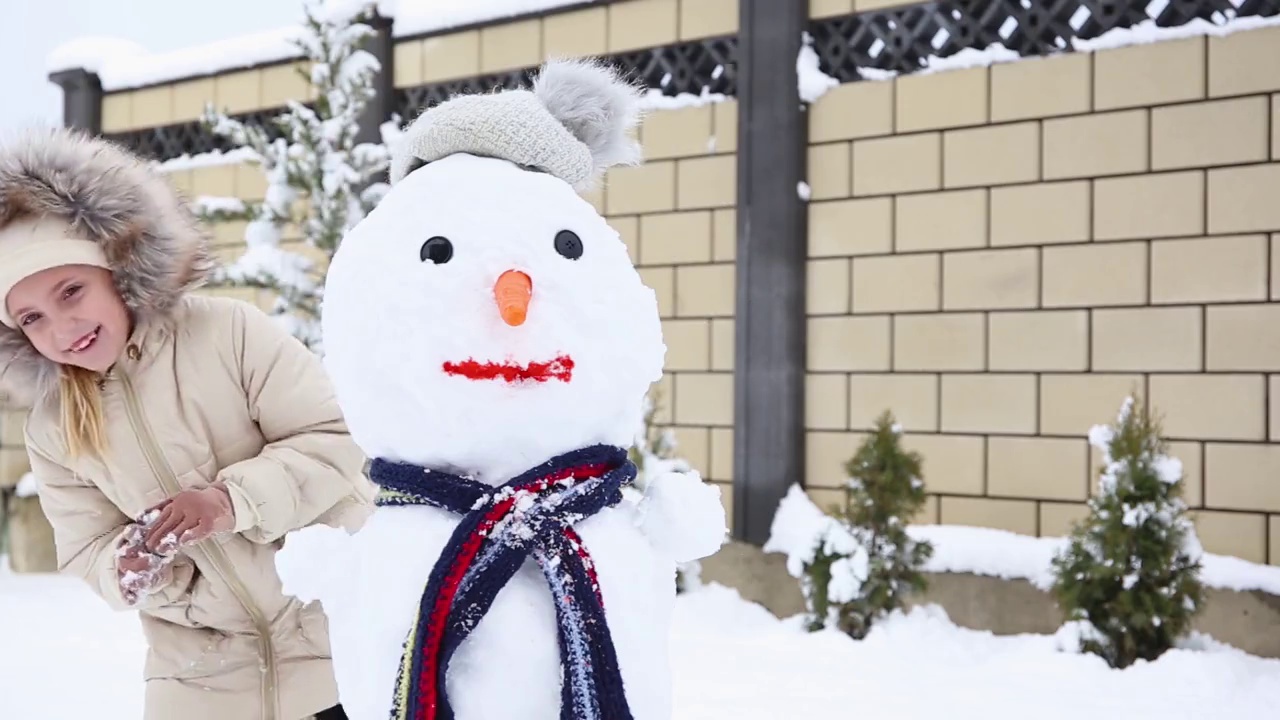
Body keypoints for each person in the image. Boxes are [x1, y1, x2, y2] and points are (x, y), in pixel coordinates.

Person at [0, 126, 375, 720]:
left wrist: (231, 502)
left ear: (117, 271)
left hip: (336, 644)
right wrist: (126, 566)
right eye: (32, 318)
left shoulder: (228, 332)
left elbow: (335, 439)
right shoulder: (52, 428)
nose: (62, 328)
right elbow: (85, 547)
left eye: (71, 290)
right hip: (198, 682)